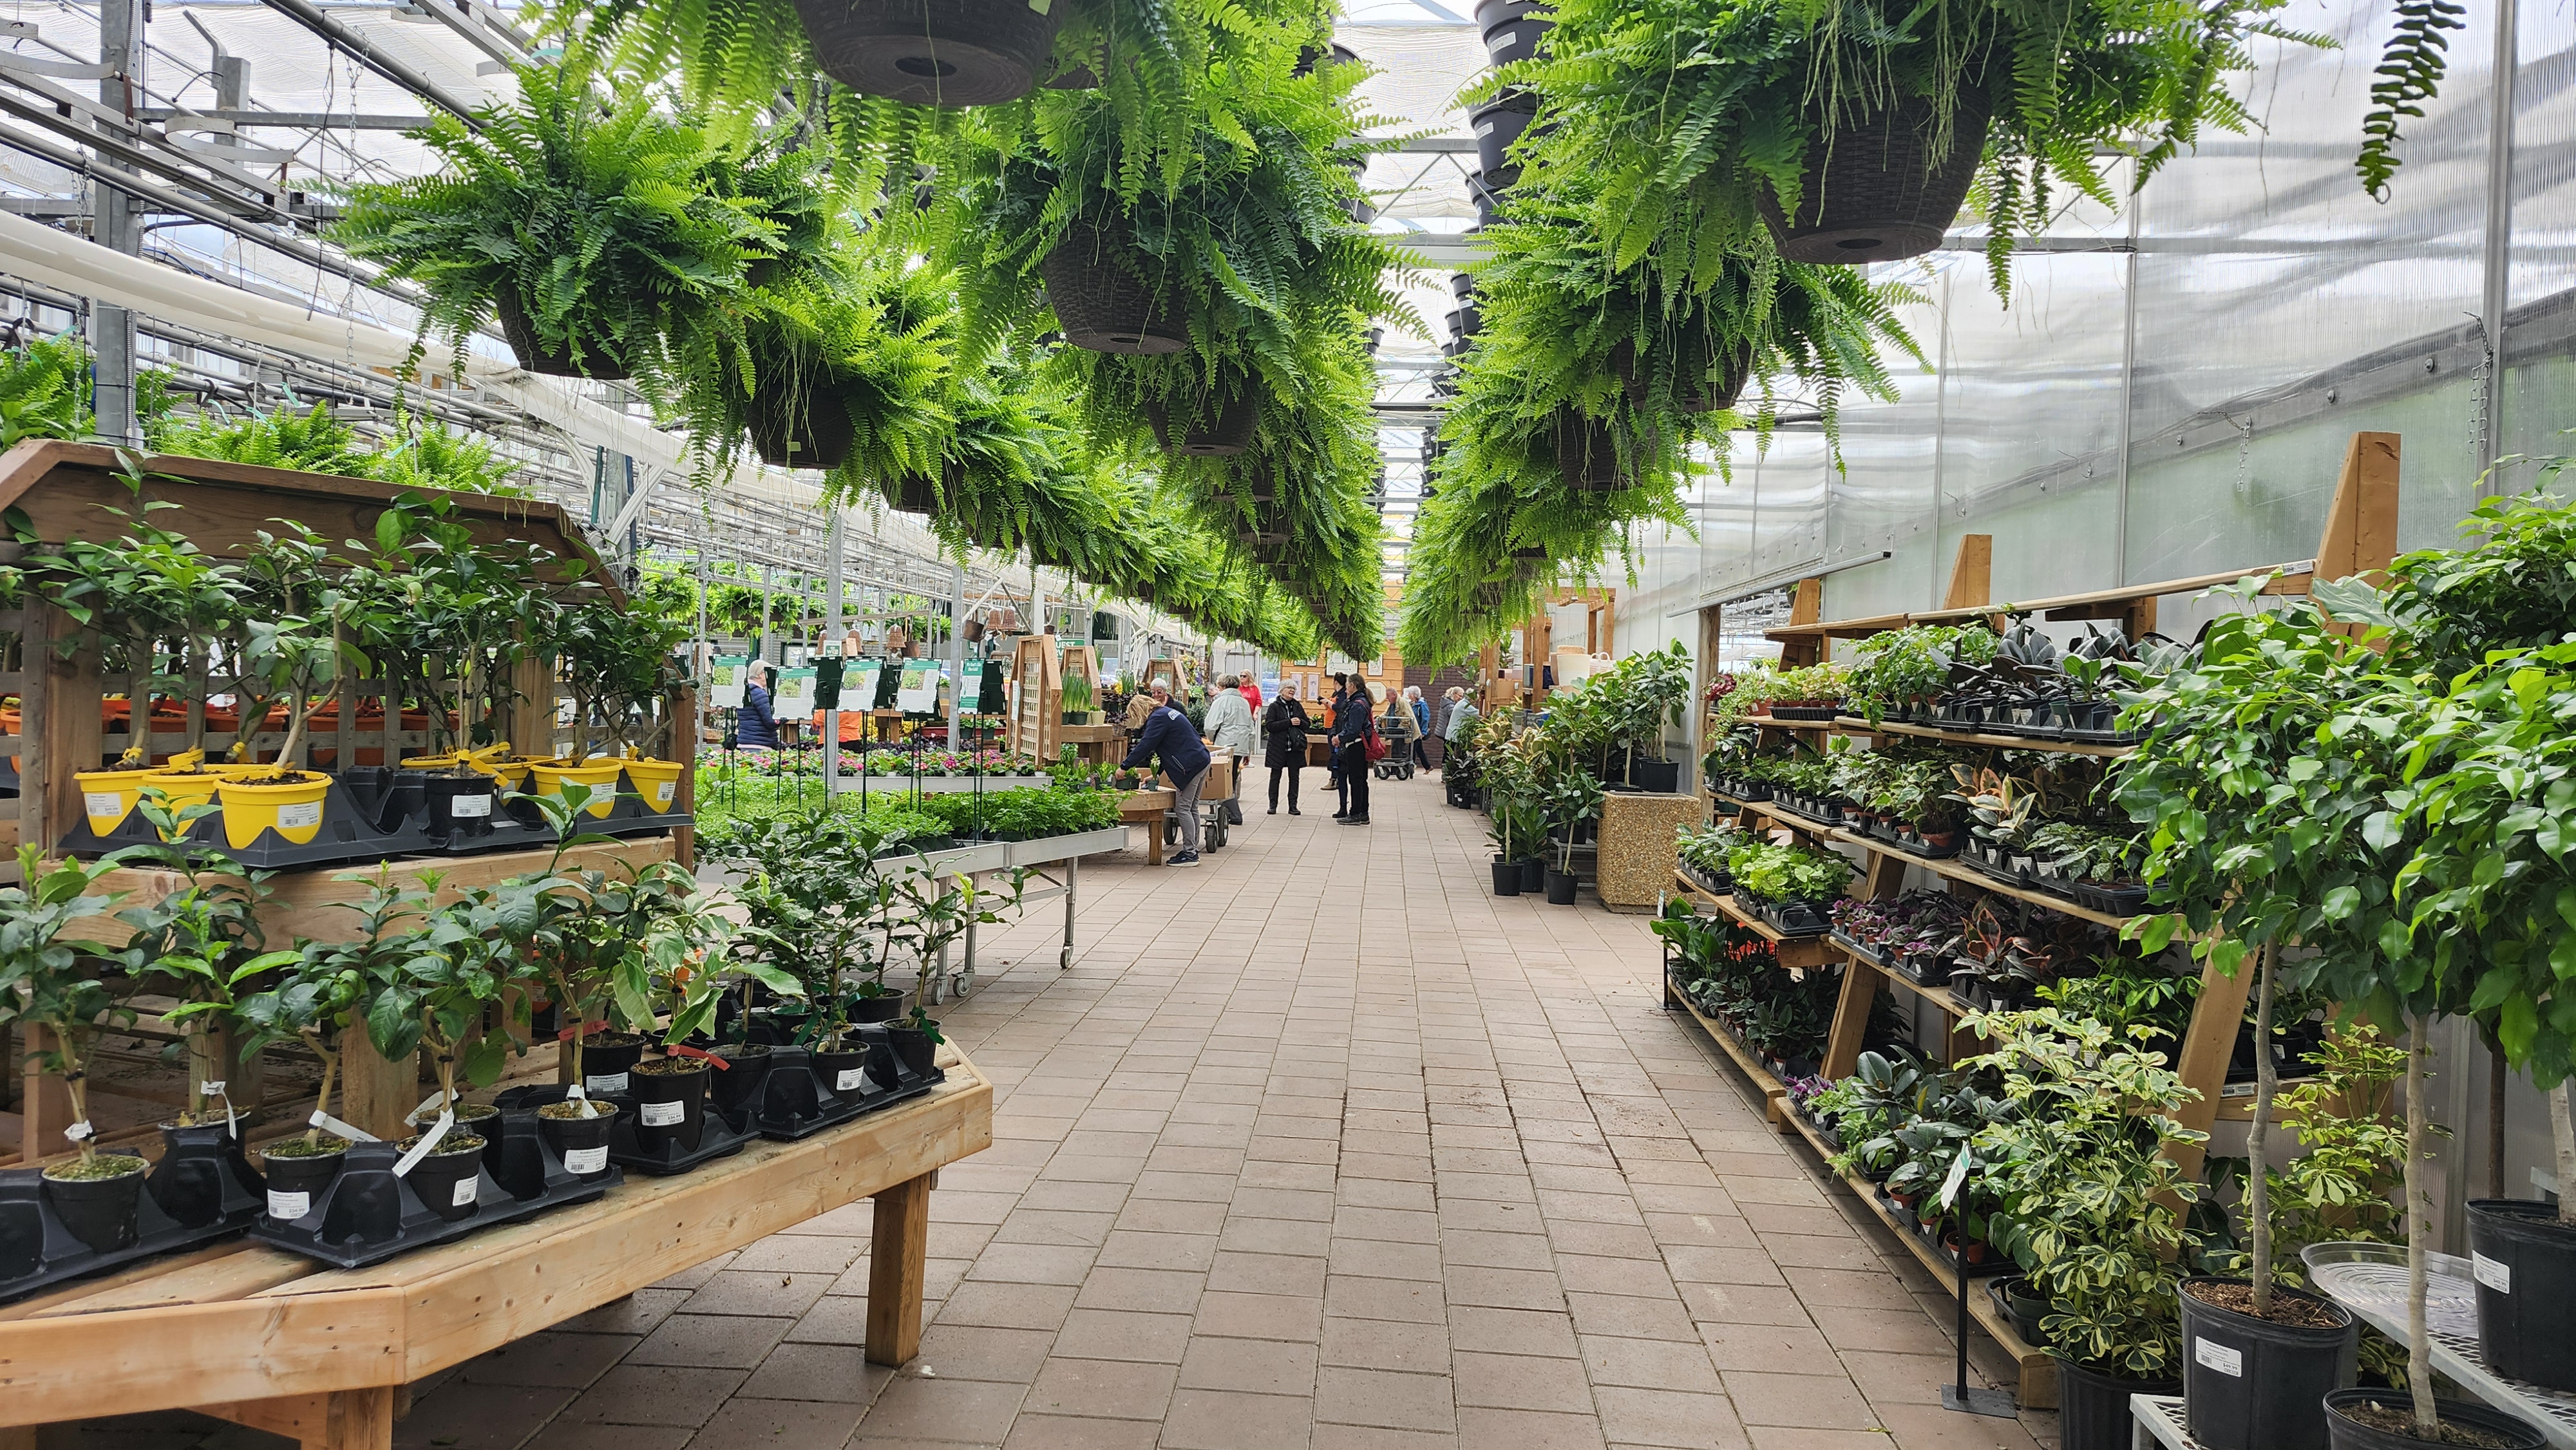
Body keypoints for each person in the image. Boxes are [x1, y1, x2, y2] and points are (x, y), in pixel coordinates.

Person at [1122, 683, 1211, 865]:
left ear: (1140, 711)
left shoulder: (1157, 719)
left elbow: (1146, 745)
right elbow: (1168, 747)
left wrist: (1124, 767)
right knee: (1192, 807)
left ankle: (1190, 854)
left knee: (1183, 808)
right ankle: (1192, 849)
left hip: (1190, 766)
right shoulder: (1166, 713)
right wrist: (1156, 774)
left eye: (1134, 716)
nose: (1135, 722)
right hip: (1201, 760)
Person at [1201, 673, 1258, 825]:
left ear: (1223, 686)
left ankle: (1234, 814)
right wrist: (1249, 750)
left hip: (1224, 745)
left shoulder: (1220, 701)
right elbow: (1251, 727)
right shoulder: (1244, 702)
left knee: (1222, 781)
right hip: (1240, 746)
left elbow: (1210, 725)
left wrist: (1212, 739)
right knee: (1231, 777)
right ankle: (1228, 812)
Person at [1263, 684, 1311, 815]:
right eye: (1289, 688)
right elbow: (1270, 726)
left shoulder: (1297, 706)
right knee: (1275, 776)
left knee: (1294, 777)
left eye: (1294, 689)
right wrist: (1288, 722)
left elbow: (1307, 724)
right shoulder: (1274, 706)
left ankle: (1293, 806)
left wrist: (1300, 722)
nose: (1292, 691)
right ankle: (1273, 805)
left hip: (1295, 748)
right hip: (1278, 747)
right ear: (1281, 691)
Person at [1334, 677, 1376, 824]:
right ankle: (1363, 813)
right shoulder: (1362, 701)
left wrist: (1339, 737)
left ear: (1352, 685)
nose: (1346, 690)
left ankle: (1356, 813)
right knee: (1361, 780)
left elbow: (1353, 729)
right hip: (1359, 745)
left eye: (1347, 686)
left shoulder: (1358, 704)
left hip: (1356, 745)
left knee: (1356, 781)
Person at [736, 666, 781, 749]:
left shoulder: (745, 691)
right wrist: (787, 715)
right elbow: (771, 721)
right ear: (761, 674)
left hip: (745, 742)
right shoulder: (759, 694)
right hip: (759, 744)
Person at [1405, 686, 1432, 770]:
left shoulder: (1422, 705)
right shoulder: (1413, 704)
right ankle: (1427, 767)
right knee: (1418, 749)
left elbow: (1425, 719)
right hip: (1414, 730)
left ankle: (1410, 765)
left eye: (1410, 694)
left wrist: (1423, 732)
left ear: (1414, 695)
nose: (1408, 696)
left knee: (1413, 748)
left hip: (1418, 731)